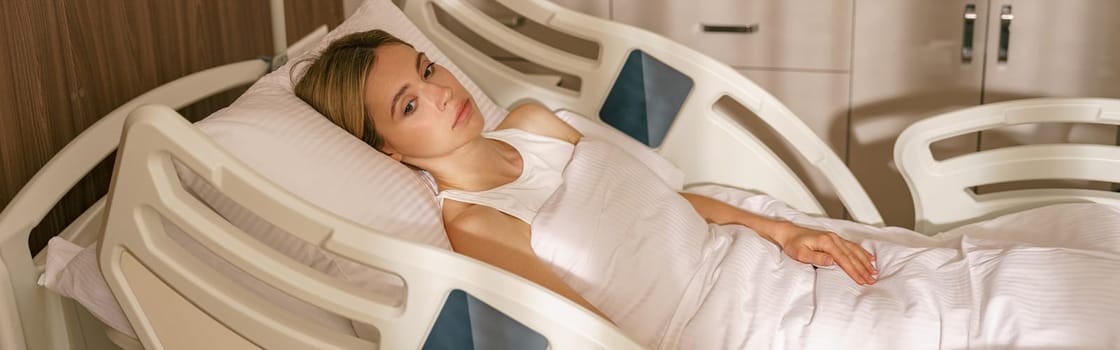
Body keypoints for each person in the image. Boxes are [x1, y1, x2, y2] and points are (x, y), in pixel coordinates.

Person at [293, 29, 877, 320]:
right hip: (719, 326)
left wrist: (779, 232)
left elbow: (665, 203)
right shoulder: (476, 224)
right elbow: (591, 336)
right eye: (410, 105)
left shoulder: (532, 122)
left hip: (752, 258)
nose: (442, 92)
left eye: (427, 69)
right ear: (388, 150)